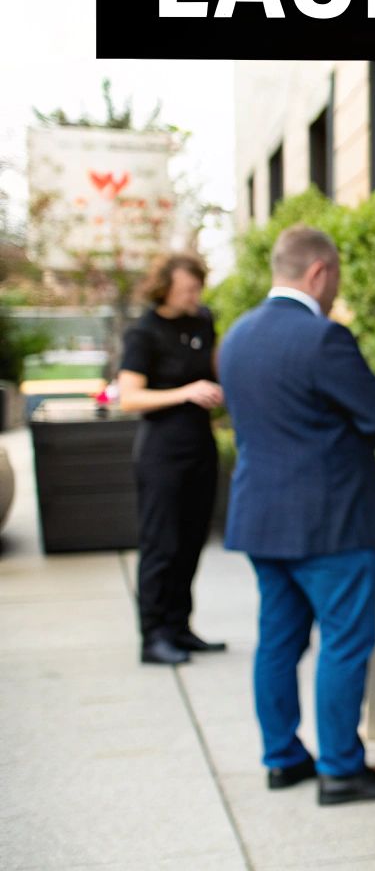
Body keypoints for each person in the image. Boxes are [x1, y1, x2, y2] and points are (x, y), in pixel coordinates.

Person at [218, 225, 375, 805]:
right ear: (319, 272)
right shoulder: (322, 339)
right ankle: (339, 769)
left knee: (277, 641)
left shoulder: (237, 337)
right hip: (330, 520)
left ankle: (282, 759)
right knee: (344, 645)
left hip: (261, 516)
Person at [118, 252, 225, 666]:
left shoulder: (203, 320)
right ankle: (153, 636)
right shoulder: (143, 333)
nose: (194, 296)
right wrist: (185, 392)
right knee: (160, 544)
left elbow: (213, 368)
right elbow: (129, 398)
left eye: (197, 288)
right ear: (165, 288)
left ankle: (180, 627)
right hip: (161, 452)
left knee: (191, 541)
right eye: (186, 290)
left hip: (200, 447)